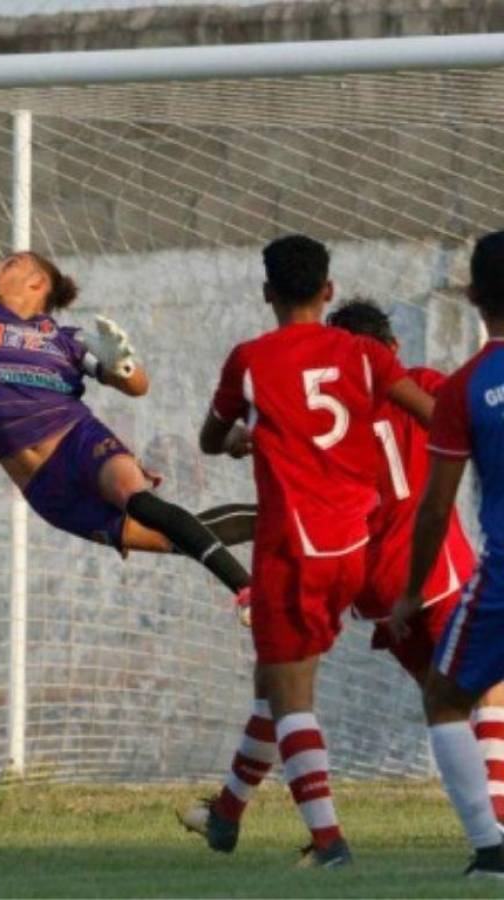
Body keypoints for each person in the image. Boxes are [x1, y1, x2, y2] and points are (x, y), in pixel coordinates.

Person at [0, 95, 252, 591]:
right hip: (45, 489)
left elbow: (139, 387)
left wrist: (123, 367)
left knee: (136, 498)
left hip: (80, 442)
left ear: (38, 282)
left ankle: (246, 590)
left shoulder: (63, 340)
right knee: (179, 538)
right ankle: (287, 518)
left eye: (11, 262)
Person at [183, 299, 504, 853]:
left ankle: (231, 810)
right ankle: (494, 819)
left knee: (281, 685)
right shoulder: (424, 384)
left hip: (366, 578)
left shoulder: (320, 414)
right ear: (392, 351)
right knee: (480, 692)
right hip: (436, 571)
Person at [198, 236, 433, 867]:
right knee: (275, 679)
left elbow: (209, 438)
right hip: (352, 547)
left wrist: (241, 440)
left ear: (266, 292)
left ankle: (329, 842)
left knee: (289, 693)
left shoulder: (249, 360)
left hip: (292, 548)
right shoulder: (363, 354)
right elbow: (431, 413)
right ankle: (226, 811)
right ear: (328, 290)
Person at [388, 230, 504, 878]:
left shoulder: (465, 387)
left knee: (444, 696)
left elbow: (436, 507)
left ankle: (491, 849)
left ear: (473, 296)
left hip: (502, 582)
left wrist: (410, 591)